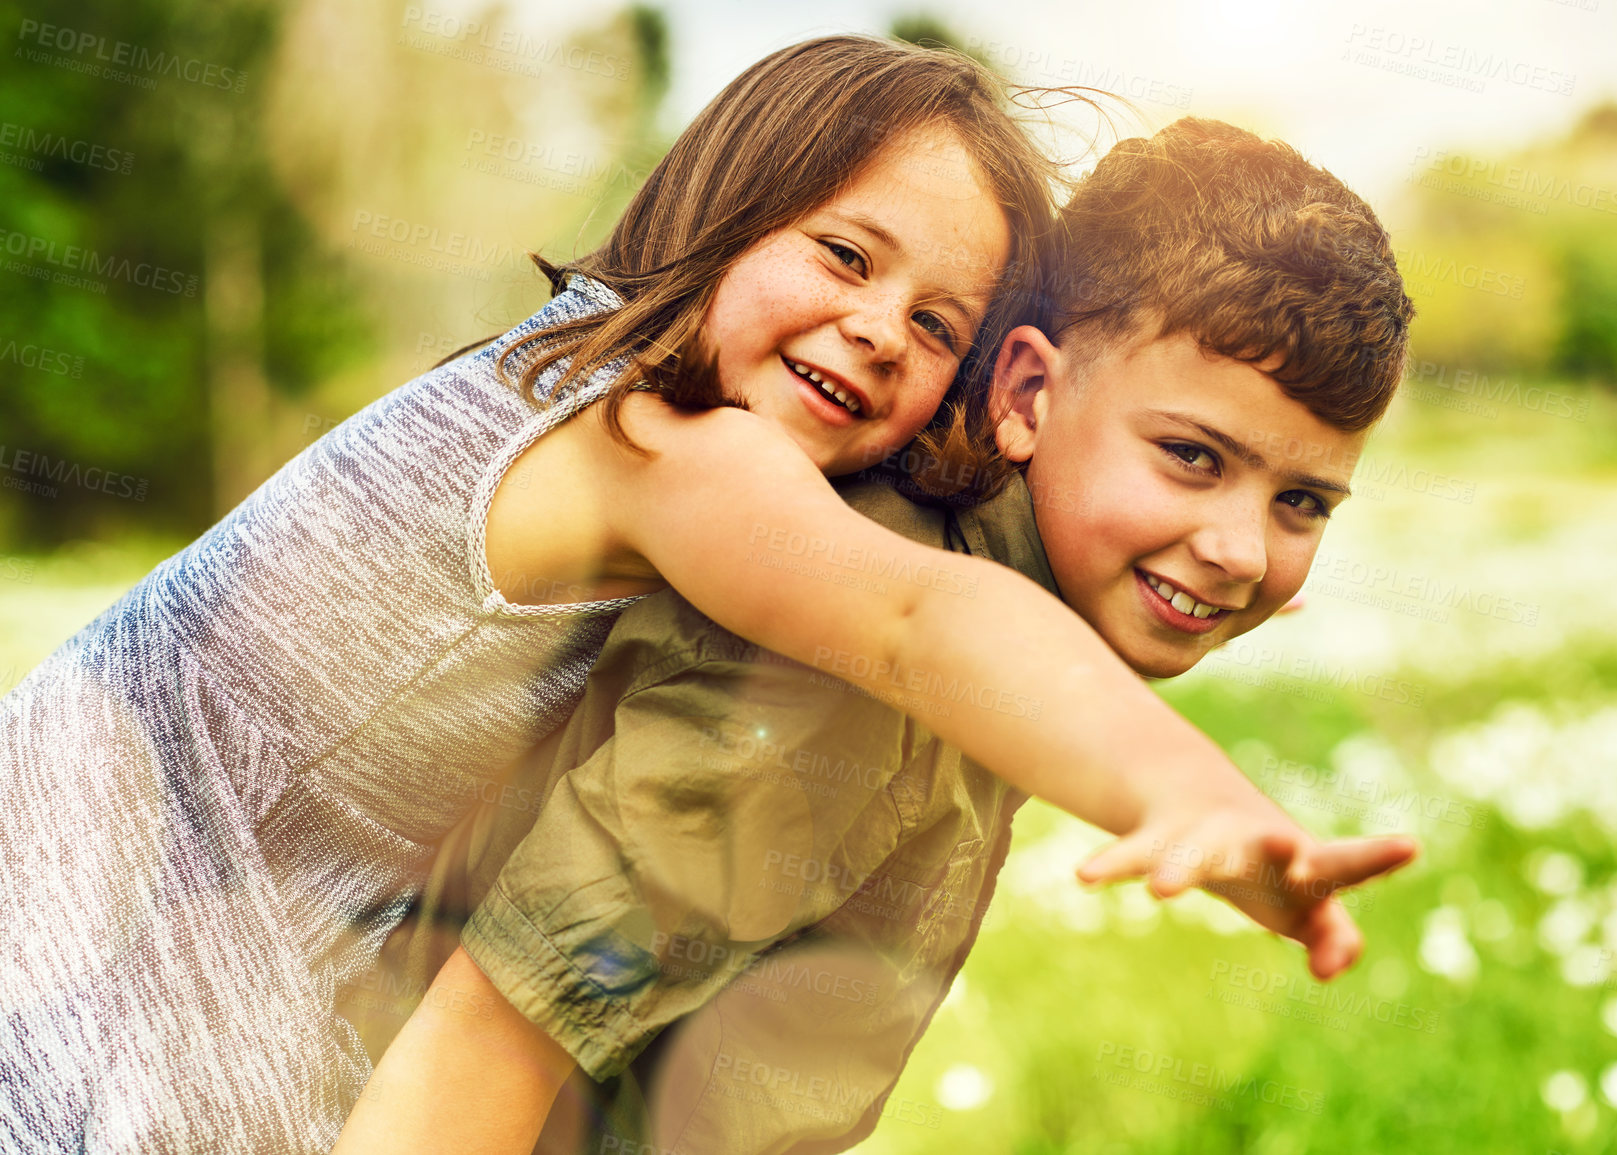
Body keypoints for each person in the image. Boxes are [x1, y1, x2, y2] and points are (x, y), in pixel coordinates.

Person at [0, 37, 1363, 1154]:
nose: (882, 326)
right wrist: (1179, 790)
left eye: (937, 321)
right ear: (720, 210)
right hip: (82, 1021)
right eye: (843, 255)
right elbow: (912, 618)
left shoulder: (576, 396)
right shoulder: (657, 447)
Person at [334, 117, 1420, 1155]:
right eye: (1193, 456)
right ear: (1029, 393)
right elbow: (491, 1040)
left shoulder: (1010, 597)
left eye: (1303, 505)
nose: (1240, 547)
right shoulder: (842, 681)